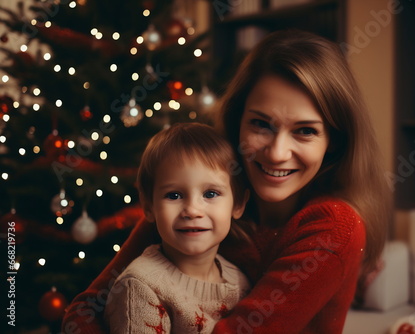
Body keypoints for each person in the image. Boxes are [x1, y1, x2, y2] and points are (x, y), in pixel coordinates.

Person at [62, 29, 390, 334]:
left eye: (305, 131)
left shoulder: (334, 226)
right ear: (237, 123)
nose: (277, 153)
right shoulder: (193, 199)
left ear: (334, 139)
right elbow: (85, 309)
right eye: (261, 124)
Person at [104, 122, 250, 333]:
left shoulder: (240, 281)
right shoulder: (139, 288)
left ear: (237, 204)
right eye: (174, 195)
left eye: (210, 194)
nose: (192, 210)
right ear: (149, 207)